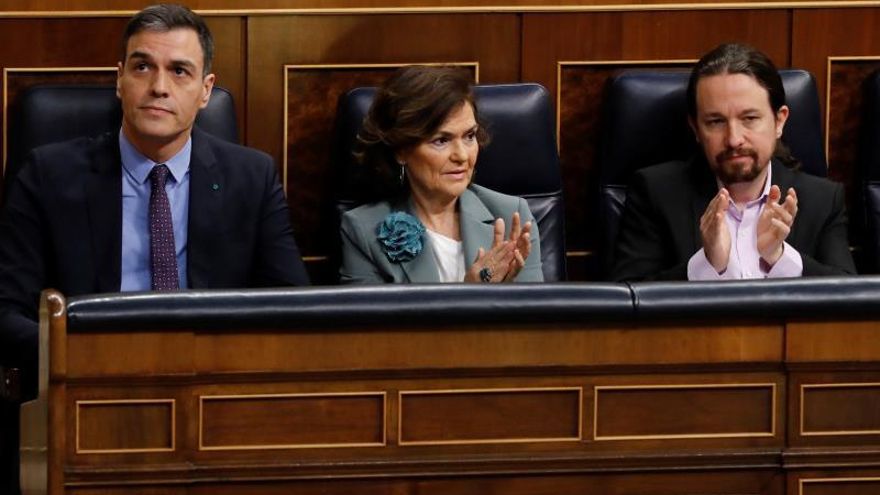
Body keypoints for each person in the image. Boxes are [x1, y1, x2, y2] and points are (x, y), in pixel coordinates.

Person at [0, 4, 309, 492]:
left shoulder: (251, 177)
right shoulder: (47, 174)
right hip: (87, 397)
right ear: (119, 78)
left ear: (206, 90)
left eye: (179, 70)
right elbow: (7, 312)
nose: (159, 86)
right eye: (143, 66)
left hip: (214, 404)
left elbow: (291, 307)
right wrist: (93, 364)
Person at [611, 43, 856, 282]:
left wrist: (780, 258)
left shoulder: (823, 200)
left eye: (749, 118)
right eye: (716, 122)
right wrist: (706, 264)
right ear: (696, 128)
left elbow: (851, 302)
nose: (733, 139)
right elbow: (627, 302)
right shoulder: (656, 193)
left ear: (779, 121)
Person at [339, 66, 542, 284]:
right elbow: (373, 318)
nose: (462, 156)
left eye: (470, 136)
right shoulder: (363, 230)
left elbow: (537, 315)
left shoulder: (512, 216)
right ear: (401, 150)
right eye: (441, 140)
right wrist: (471, 291)